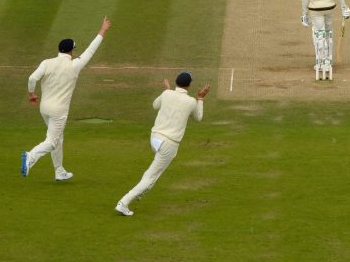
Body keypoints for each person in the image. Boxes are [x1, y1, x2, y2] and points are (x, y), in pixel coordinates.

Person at [21, 16, 111, 181]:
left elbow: (32, 79)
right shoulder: (74, 65)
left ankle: (59, 171)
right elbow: (91, 50)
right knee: (53, 141)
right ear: (71, 51)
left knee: (58, 138)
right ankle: (30, 156)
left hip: (44, 109)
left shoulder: (47, 62)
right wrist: (102, 31)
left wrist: (31, 94)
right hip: (59, 111)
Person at [116, 72, 210, 216]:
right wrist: (201, 98)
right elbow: (198, 118)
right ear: (189, 85)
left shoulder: (167, 94)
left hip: (154, 138)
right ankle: (124, 202)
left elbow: (155, 105)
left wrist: (166, 91)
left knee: (155, 171)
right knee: (150, 176)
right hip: (169, 144)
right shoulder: (191, 101)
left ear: (176, 82)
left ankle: (144, 189)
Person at [300, 0, 350, 80]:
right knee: (328, 33)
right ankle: (328, 63)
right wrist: (344, 7)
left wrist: (304, 14)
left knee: (319, 34)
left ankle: (321, 63)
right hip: (329, 8)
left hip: (315, 10)